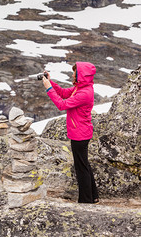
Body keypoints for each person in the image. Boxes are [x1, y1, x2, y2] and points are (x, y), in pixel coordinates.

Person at [42, 62, 99, 204]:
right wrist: (51, 82)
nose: (72, 74)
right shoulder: (81, 88)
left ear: (82, 76)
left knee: (81, 169)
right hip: (81, 132)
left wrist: (48, 88)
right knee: (84, 164)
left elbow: (62, 105)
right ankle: (93, 196)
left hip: (79, 134)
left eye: (75, 72)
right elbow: (62, 93)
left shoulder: (84, 93)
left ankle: (86, 201)